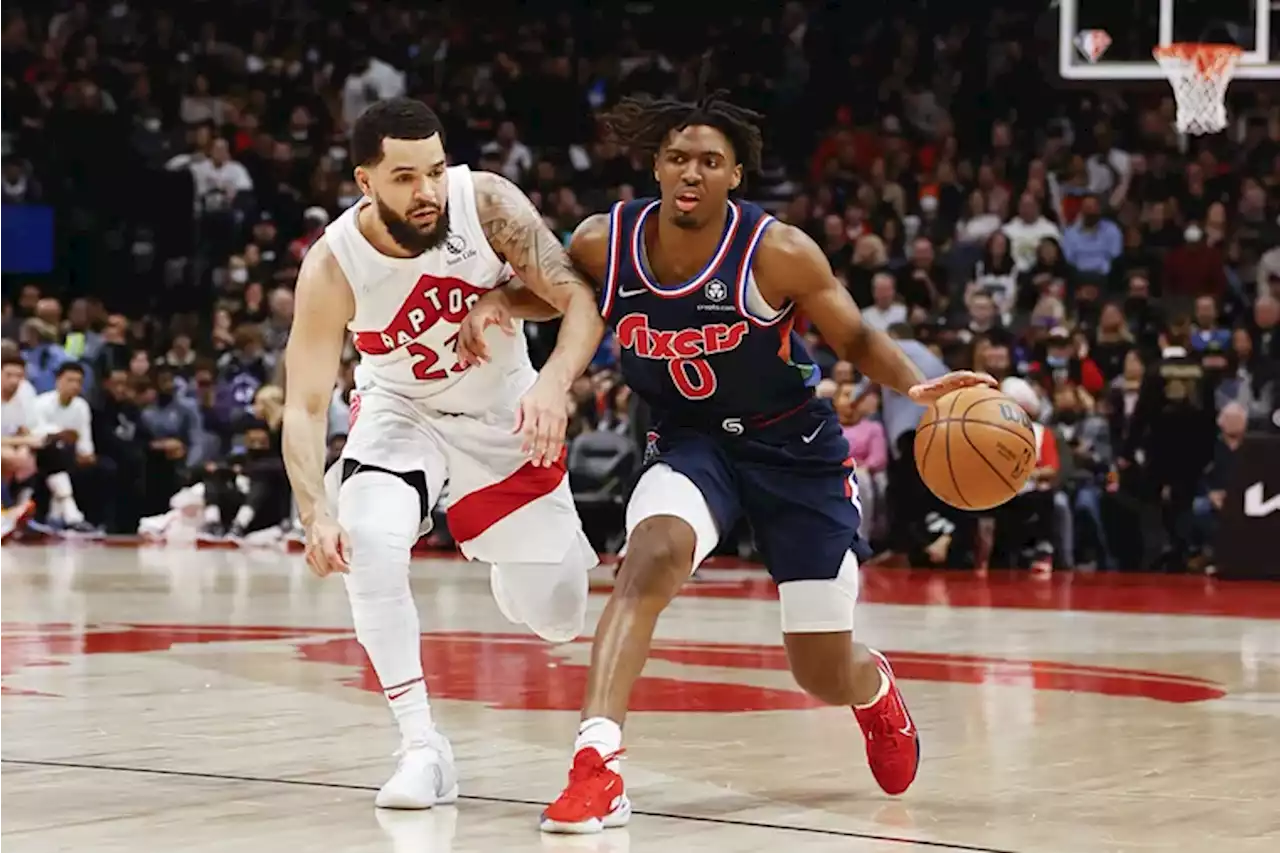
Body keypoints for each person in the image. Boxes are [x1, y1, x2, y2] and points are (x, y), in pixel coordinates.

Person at [458, 91, 994, 834]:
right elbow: (562, 297)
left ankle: (872, 689)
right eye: (678, 157)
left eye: (710, 161)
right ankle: (596, 764)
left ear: (736, 175)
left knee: (817, 667)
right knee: (647, 558)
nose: (691, 172)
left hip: (793, 451)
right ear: (655, 164)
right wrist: (502, 305)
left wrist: (917, 386)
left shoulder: (777, 251)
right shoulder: (600, 241)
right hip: (689, 440)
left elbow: (855, 337)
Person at [281, 97, 605, 811]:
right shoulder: (333, 265)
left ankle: (494, 547)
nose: (425, 191)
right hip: (403, 413)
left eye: (433, 170)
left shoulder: (485, 203)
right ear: (365, 181)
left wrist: (549, 375)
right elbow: (304, 403)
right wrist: (312, 510)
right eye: (403, 177)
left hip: (503, 416)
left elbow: (575, 298)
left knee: (556, 613)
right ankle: (422, 744)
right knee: (367, 537)